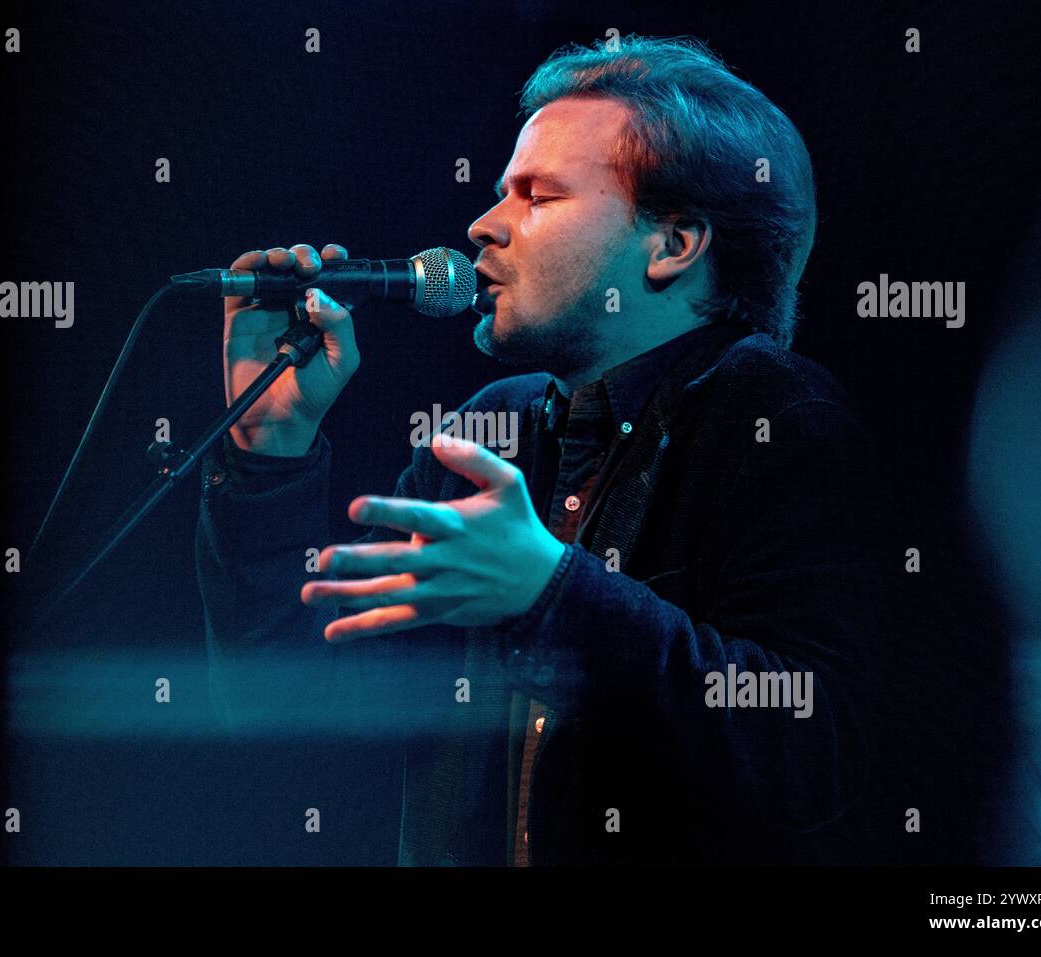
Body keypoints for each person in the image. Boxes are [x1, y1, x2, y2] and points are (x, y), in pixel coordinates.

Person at [195, 35, 887, 865]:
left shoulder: (779, 414)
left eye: (538, 195)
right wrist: (269, 447)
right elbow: (292, 710)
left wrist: (554, 594)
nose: (484, 225)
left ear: (673, 244)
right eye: (500, 192)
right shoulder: (493, 431)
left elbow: (818, 756)